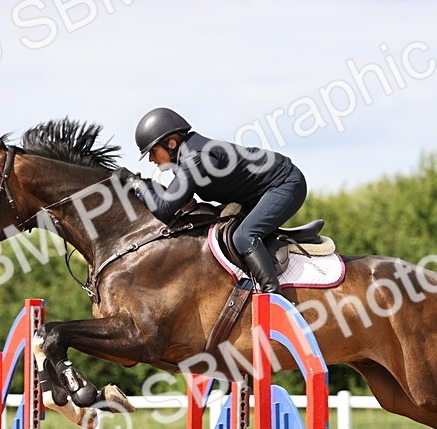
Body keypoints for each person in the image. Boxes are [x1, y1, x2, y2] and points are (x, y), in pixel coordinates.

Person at [127, 108, 307, 293]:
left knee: (244, 236)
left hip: (285, 184)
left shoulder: (195, 158)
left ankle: (272, 297)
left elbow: (164, 208)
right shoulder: (185, 159)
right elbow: (175, 205)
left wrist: (136, 184)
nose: (151, 159)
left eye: (153, 151)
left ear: (171, 143)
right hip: (259, 193)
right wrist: (144, 188)